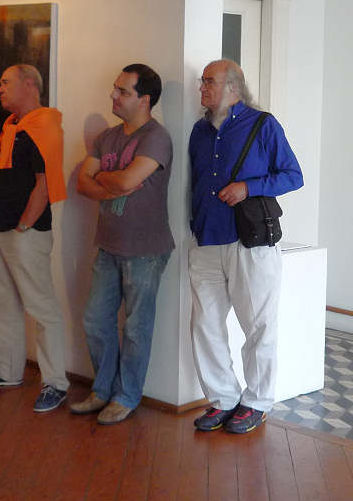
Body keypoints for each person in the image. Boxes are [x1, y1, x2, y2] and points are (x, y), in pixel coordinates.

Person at [188, 59, 303, 434]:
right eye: (202, 81)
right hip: (206, 239)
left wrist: (248, 188)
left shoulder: (263, 125)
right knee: (204, 325)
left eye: (209, 81)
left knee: (258, 326)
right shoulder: (199, 131)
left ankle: (257, 401)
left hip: (249, 241)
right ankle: (222, 398)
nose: (202, 87)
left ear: (233, 88)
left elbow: (293, 175)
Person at [72, 64, 174, 424]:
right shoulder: (107, 137)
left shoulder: (156, 137)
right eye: (115, 89)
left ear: (144, 99)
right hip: (108, 244)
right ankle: (102, 391)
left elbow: (129, 180)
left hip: (145, 250)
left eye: (123, 91)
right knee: (95, 321)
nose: (113, 96)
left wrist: (104, 177)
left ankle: (126, 396)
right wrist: (110, 182)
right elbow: (82, 183)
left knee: (136, 329)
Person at [0, 64, 71, 414]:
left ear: (29, 85)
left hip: (24, 233)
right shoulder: (12, 125)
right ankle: (7, 371)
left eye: (5, 82)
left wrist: (24, 226)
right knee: (1, 304)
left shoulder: (44, 126)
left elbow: (45, 182)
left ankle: (55, 383)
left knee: (42, 308)